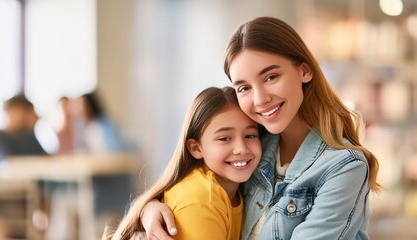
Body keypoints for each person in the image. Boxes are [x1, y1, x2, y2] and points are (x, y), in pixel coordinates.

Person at [139, 16, 380, 240]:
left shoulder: (344, 167)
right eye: (244, 88)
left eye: (270, 77)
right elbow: (191, 186)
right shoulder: (251, 148)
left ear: (304, 71)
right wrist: (150, 209)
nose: (259, 99)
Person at [105, 87, 262, 240]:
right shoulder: (202, 199)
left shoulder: (239, 190)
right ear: (196, 148)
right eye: (224, 138)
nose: (241, 149)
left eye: (250, 135)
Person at [0, 95, 47, 161]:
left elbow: (44, 158)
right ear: (8, 111)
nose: (24, 118)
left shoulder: (28, 136)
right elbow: (8, 161)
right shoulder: (0, 136)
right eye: (23, 112)